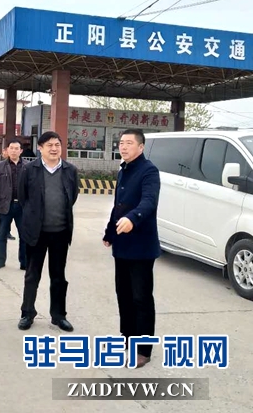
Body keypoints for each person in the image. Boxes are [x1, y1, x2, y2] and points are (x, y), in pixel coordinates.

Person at [103, 129, 161, 369]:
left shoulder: (149, 171)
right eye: (121, 143)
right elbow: (119, 205)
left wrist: (132, 218)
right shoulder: (123, 170)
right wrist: (110, 232)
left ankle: (143, 350)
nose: (123, 147)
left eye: (129, 143)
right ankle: (127, 337)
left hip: (141, 245)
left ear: (141, 147)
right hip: (122, 244)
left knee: (141, 298)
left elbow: (149, 201)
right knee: (123, 294)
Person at [17, 131, 79, 332]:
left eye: (57, 145)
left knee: (58, 276)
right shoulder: (29, 170)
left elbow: (73, 196)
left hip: (61, 232)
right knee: (32, 275)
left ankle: (59, 316)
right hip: (36, 233)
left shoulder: (70, 170)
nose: (54, 149)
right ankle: (27, 313)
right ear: (40, 148)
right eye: (49, 145)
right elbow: (23, 198)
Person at [0, 138, 27, 270]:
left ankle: (24, 262)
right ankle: (0, 260)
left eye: (16, 148)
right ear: (7, 150)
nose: (14, 151)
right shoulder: (0, 166)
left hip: (22, 207)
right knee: (2, 235)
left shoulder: (28, 166)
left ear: (21, 151)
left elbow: (33, 188)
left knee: (24, 236)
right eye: (11, 148)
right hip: (6, 205)